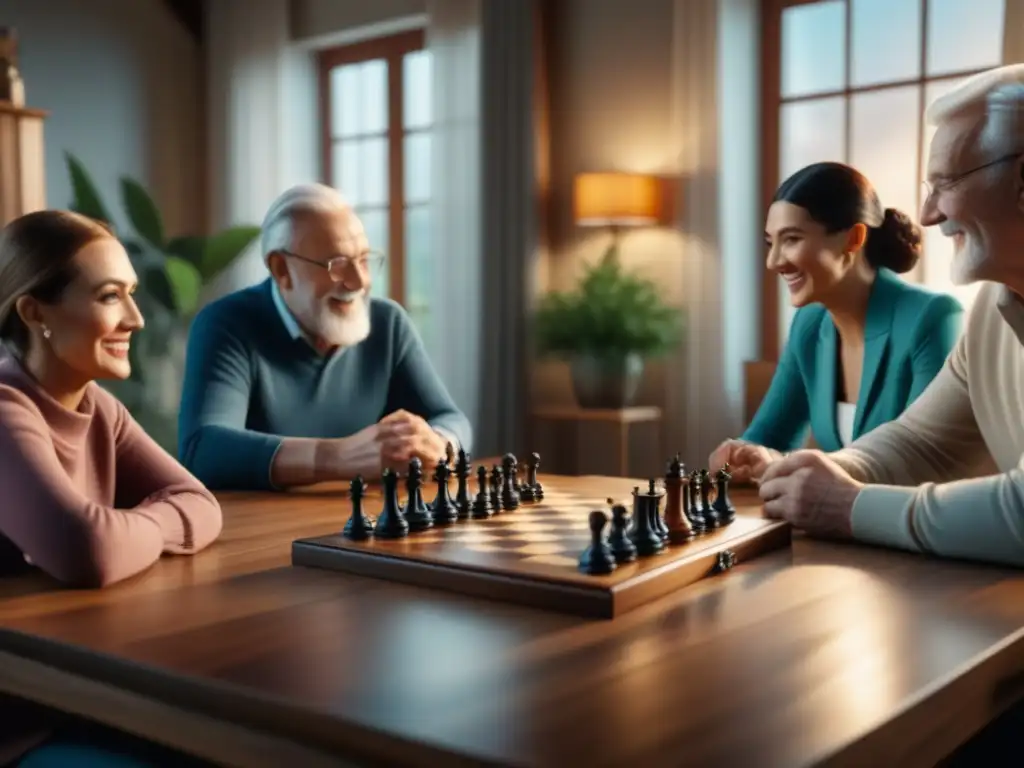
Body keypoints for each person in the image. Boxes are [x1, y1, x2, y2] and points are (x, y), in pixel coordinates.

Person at [0, 210, 222, 766]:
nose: (137, 318)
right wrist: (151, 521)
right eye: (109, 296)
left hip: (75, 697)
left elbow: (202, 505)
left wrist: (128, 528)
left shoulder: (100, 408)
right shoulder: (5, 411)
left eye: (132, 294)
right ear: (34, 312)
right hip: (18, 727)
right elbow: (87, 551)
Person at [177, 183, 472, 491]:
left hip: (363, 524)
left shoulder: (388, 322)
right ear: (282, 269)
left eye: (364, 260)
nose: (360, 281)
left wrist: (439, 444)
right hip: (259, 529)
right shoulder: (227, 323)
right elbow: (203, 448)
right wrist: (338, 457)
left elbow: (450, 418)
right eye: (338, 265)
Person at [708, 162, 963, 482]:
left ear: (853, 238)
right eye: (771, 243)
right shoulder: (810, 324)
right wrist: (741, 455)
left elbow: (923, 459)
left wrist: (786, 466)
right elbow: (767, 438)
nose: (773, 262)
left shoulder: (933, 318)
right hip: (838, 525)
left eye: (791, 239)